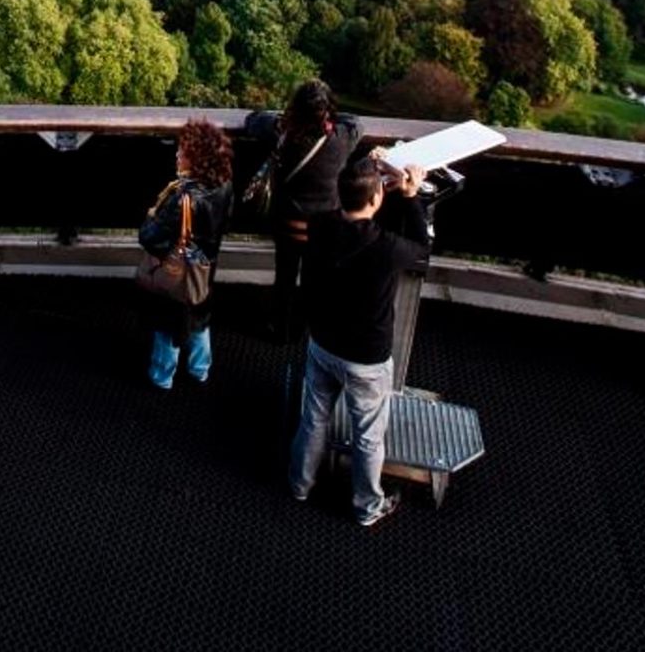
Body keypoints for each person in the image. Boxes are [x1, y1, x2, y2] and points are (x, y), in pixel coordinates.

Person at [287, 155, 430, 528]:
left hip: (323, 342)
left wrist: (376, 183)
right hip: (366, 357)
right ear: (377, 197)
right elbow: (421, 251)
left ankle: (299, 485)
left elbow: (353, 221)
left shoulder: (321, 225)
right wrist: (412, 196)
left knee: (313, 417)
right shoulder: (386, 248)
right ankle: (367, 506)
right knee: (368, 434)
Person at [245, 80, 362, 339]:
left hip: (286, 222)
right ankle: (308, 329)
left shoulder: (281, 134)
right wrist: (331, 115)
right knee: (316, 279)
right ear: (328, 111)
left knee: (284, 276)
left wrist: (284, 118)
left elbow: (252, 120)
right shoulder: (340, 140)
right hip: (324, 225)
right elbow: (356, 122)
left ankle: (279, 327)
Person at [138, 119, 234, 390]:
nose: (177, 154)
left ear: (197, 159)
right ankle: (199, 371)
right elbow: (226, 222)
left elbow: (148, 238)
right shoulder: (224, 184)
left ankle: (162, 377)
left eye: (184, 151)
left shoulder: (182, 199)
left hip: (176, 268)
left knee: (168, 324)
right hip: (205, 264)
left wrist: (151, 217)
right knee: (199, 316)